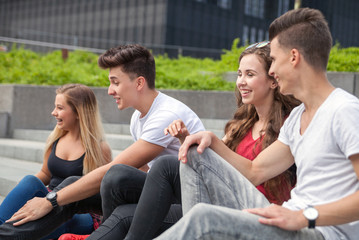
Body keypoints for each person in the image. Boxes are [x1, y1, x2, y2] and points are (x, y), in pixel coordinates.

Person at [155, 7, 359, 240]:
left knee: (205, 218)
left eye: (273, 60)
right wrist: (211, 140)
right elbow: (255, 172)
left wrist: (304, 216)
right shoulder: (297, 118)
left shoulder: (344, 110)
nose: (271, 70)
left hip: (319, 231)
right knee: (195, 154)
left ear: (294, 57)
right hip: (287, 218)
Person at [66, 42, 300, 240]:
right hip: (220, 198)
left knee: (162, 171)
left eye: (250, 75)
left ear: (273, 80)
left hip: (255, 213)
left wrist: (210, 140)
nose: (241, 82)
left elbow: (252, 172)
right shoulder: (241, 125)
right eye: (239, 74)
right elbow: (214, 166)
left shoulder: (290, 125)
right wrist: (185, 139)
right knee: (121, 197)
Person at [0, 44, 204, 240]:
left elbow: (116, 169)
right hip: (158, 192)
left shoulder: (166, 115)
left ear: (139, 83)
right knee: (73, 185)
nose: (110, 90)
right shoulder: (138, 117)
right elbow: (140, 170)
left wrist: (50, 199)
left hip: (186, 201)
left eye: (115, 82)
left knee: (114, 176)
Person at [0, 84, 112, 239]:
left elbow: (101, 191)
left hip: (79, 212)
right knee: (30, 182)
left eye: (60, 108)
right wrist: (22, 196)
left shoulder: (99, 148)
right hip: (49, 201)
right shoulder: (56, 139)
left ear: (79, 112)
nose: (53, 113)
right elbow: (45, 173)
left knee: (31, 185)